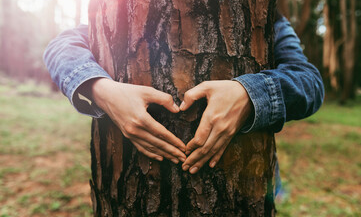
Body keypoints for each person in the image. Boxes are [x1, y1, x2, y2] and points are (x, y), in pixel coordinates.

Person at [43, 15, 324, 182]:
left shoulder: (269, 15)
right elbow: (61, 46)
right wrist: (101, 89)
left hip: (250, 175)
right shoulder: (122, 0)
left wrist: (250, 95)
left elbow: (310, 82)